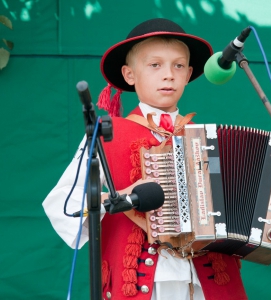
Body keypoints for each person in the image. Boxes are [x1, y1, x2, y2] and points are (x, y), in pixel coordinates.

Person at [43, 18, 248, 300]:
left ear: (189, 74)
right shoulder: (106, 135)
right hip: (143, 285)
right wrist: (117, 198)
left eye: (178, 66)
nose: (169, 75)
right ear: (129, 74)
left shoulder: (209, 140)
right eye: (155, 65)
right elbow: (61, 205)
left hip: (207, 283)